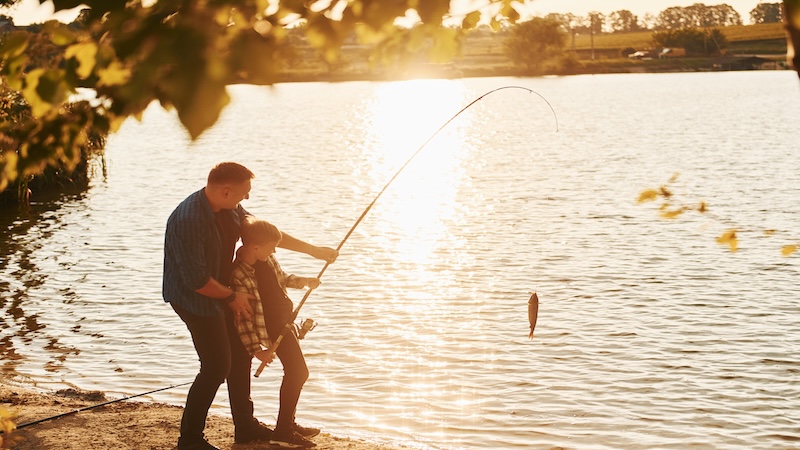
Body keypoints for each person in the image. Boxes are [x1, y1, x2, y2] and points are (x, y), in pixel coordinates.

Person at [163, 162, 337, 450]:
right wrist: (232, 297)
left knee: (239, 359)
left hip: (221, 288)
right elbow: (195, 280)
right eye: (245, 193)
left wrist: (313, 251)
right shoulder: (190, 219)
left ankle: (244, 426)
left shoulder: (230, 208)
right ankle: (190, 440)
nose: (248, 199)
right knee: (217, 366)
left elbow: (264, 234)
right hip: (193, 298)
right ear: (227, 190)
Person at [231, 218, 321, 448]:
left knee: (296, 372)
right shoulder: (239, 274)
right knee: (299, 372)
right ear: (255, 247)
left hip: (283, 321)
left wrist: (304, 281)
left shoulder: (267, 257)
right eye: (272, 247)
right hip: (271, 328)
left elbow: (282, 278)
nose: (274, 251)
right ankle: (283, 432)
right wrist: (256, 350)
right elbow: (242, 319)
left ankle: (287, 424)